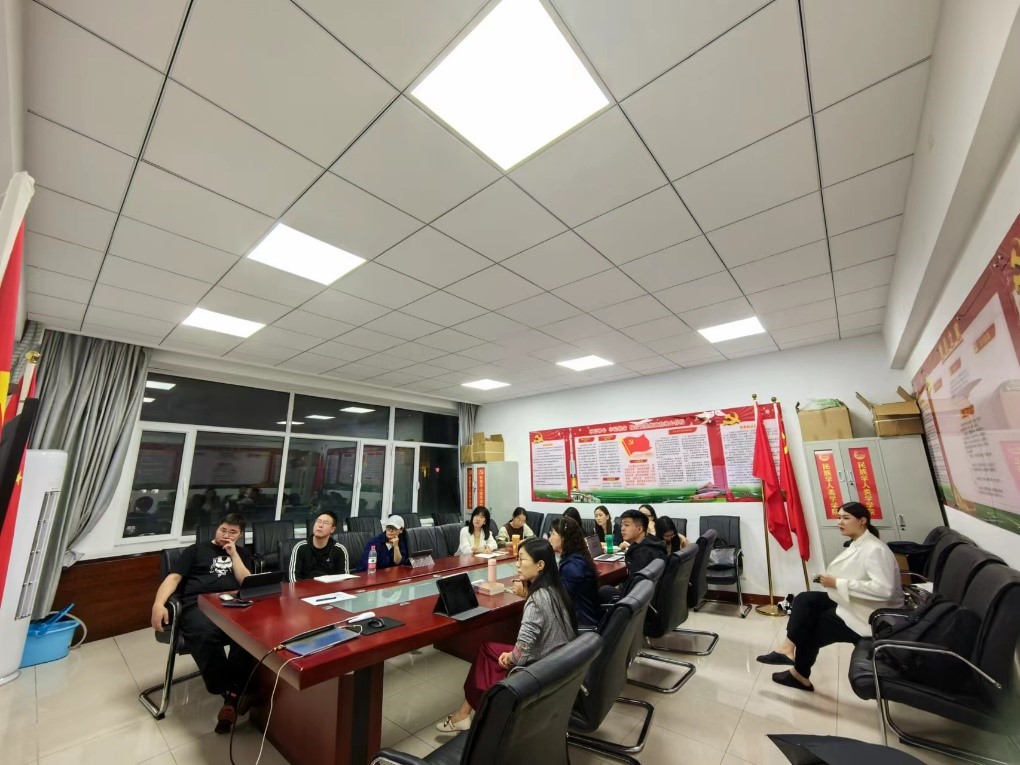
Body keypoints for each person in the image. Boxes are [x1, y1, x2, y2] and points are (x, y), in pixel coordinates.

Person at [756, 502, 903, 691]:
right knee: (804, 599)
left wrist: (838, 583)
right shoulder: (859, 543)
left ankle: (798, 675)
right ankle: (786, 648)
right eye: (838, 517)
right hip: (855, 600)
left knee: (812, 625)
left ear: (862, 521)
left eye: (846, 518)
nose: (839, 522)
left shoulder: (875, 549)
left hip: (869, 613)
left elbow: (885, 590)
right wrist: (832, 581)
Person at [435, 538, 577, 732]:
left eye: (522, 559)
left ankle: (476, 714)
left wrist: (510, 657)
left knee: (488, 653)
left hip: (540, 668)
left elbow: (520, 657)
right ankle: (466, 713)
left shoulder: (536, 600)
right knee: (488, 650)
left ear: (540, 565)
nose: (517, 564)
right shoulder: (555, 589)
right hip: (558, 663)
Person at [150, 513, 255, 733]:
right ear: (217, 528)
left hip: (232, 602)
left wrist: (234, 555)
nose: (226, 535)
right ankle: (230, 691)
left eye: (232, 532)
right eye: (223, 529)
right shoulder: (195, 550)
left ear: (239, 535)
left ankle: (231, 698)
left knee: (249, 636)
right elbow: (173, 578)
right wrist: (158, 604)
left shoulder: (242, 553)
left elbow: (246, 581)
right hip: (197, 603)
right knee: (205, 634)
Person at [599, 509, 667, 603]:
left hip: (635, 602)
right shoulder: (650, 543)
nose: (622, 528)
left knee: (603, 590)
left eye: (626, 525)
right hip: (650, 598)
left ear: (639, 529)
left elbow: (634, 589)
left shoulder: (643, 554)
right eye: (622, 525)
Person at [549, 517, 600, 628]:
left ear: (564, 537)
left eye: (553, 534)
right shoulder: (578, 557)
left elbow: (560, 601)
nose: (549, 538)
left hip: (580, 626)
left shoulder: (572, 567)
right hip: (586, 620)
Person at [290, 511, 350, 581]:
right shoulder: (300, 547)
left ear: (332, 529)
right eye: (318, 521)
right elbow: (293, 579)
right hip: (304, 587)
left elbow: (344, 579)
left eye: (325, 523)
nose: (320, 525)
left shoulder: (339, 550)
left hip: (330, 587)